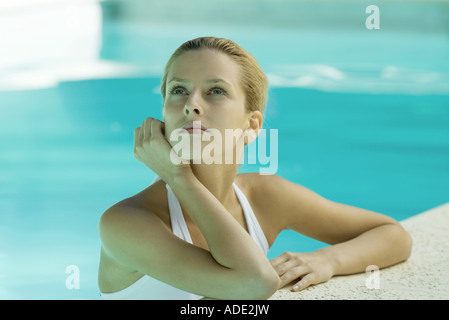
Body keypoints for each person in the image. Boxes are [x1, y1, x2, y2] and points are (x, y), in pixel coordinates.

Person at [97, 37, 412, 300]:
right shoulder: (125, 223)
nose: (192, 104)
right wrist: (179, 177)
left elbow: (392, 235)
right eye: (178, 90)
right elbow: (255, 284)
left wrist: (326, 259)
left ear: (251, 126)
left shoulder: (264, 196)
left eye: (215, 91)